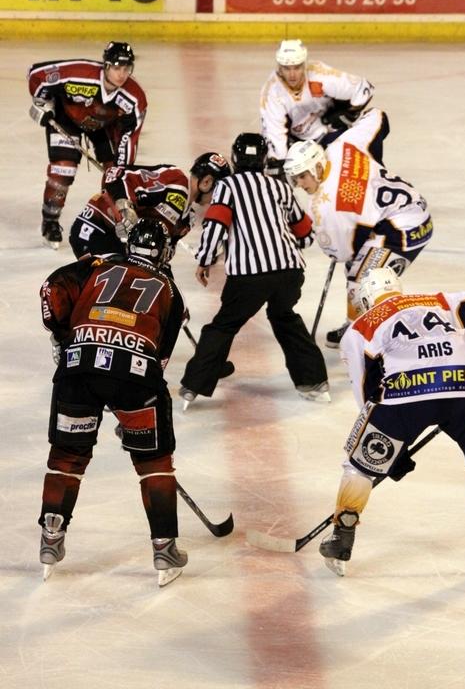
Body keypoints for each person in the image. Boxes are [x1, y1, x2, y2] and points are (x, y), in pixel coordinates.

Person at [318, 267, 465, 576]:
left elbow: (365, 391)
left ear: (367, 299)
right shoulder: (441, 300)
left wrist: (387, 451)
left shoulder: (360, 326)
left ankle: (343, 533)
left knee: (358, 466)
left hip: (404, 399)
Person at [38, 219, 189, 587]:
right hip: (136, 377)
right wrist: (129, 412)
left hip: (78, 368)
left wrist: (64, 338)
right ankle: (164, 547)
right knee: (154, 460)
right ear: (164, 253)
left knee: (67, 457)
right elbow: (159, 362)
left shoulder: (98, 264)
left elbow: (50, 288)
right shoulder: (171, 291)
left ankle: (51, 535)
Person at [179, 132, 329, 409]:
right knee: (285, 318)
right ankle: (314, 382)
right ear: (263, 159)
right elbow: (306, 234)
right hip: (289, 272)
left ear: (235, 159)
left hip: (248, 276)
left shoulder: (227, 187)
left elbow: (216, 226)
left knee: (223, 326)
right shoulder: (280, 187)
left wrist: (205, 260)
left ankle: (193, 386)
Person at [284, 107, 432, 348]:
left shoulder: (327, 205)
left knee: (364, 278)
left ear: (316, 167)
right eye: (295, 178)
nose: (300, 184)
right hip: (406, 208)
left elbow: (340, 254)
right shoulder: (343, 144)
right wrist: (342, 122)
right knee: (359, 268)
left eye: (302, 176)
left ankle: (379, 334)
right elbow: (378, 117)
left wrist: (353, 230)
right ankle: (356, 324)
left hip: (405, 229)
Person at [28, 41, 147, 248]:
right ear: (106, 65)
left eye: (127, 68)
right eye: (117, 68)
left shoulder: (134, 98)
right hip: (67, 118)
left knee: (115, 174)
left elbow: (130, 137)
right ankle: (50, 220)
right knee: (63, 170)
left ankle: (116, 223)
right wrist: (42, 104)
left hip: (104, 127)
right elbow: (37, 74)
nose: (122, 74)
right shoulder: (80, 73)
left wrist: (120, 172)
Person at [69, 152, 231, 261]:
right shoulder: (175, 181)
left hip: (119, 247)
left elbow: (158, 258)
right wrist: (125, 208)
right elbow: (114, 173)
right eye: (221, 188)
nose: (221, 195)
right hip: (95, 230)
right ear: (206, 182)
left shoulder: (187, 221)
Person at [259, 39, 375, 177]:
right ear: (279, 67)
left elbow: (363, 88)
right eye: (286, 68)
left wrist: (346, 114)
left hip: (330, 132)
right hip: (296, 144)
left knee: (349, 172)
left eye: (296, 67)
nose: (292, 74)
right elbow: (274, 133)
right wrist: (280, 164)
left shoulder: (320, 75)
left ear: (304, 64)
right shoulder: (272, 92)